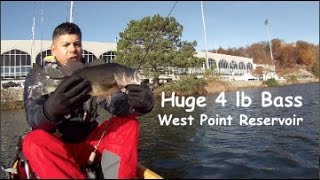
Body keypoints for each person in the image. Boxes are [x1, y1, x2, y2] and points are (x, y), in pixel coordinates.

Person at [22, 22, 155, 179]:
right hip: (57, 148)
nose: (73, 49)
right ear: (53, 49)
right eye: (66, 44)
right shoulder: (41, 76)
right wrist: (50, 111)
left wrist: (139, 105)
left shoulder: (94, 72)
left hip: (92, 145)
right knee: (33, 141)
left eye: (77, 44)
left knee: (128, 124)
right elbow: (33, 117)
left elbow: (116, 104)